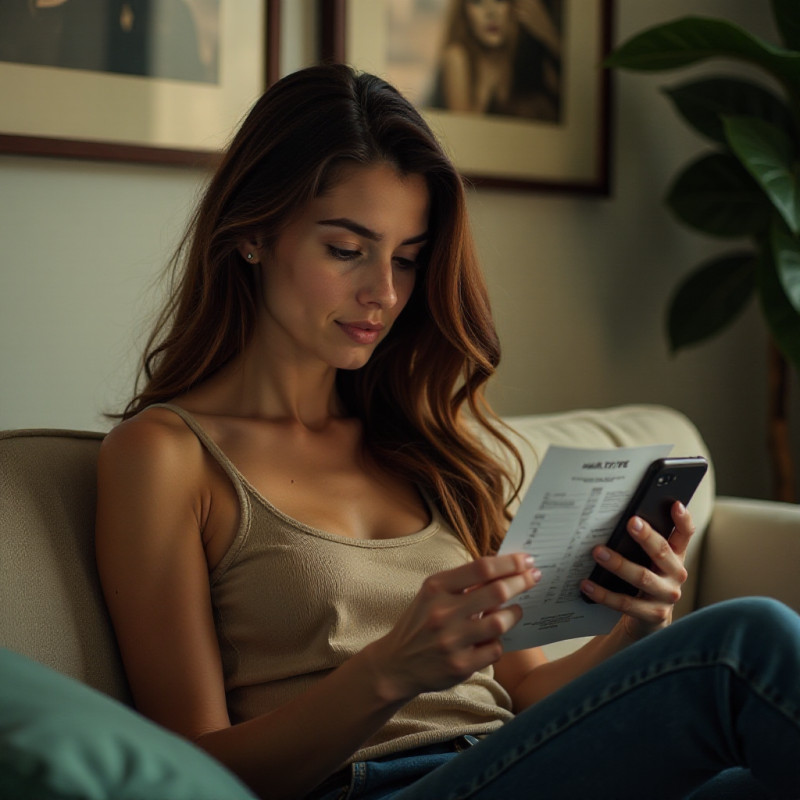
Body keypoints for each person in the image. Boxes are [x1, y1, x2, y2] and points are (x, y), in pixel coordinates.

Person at [95, 62, 800, 800]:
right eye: (345, 250)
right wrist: (387, 671)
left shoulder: (423, 444)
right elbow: (186, 774)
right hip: (374, 788)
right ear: (252, 235)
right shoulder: (166, 456)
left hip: (510, 767)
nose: (385, 293)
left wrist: (635, 632)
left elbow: (526, 694)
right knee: (744, 642)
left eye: (407, 257)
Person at [429, 0, 562, 121]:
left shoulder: (527, 58)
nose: (490, 13)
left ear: (514, 7)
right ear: (464, 12)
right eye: (477, 2)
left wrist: (547, 33)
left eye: (499, 0)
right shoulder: (457, 56)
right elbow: (467, 131)